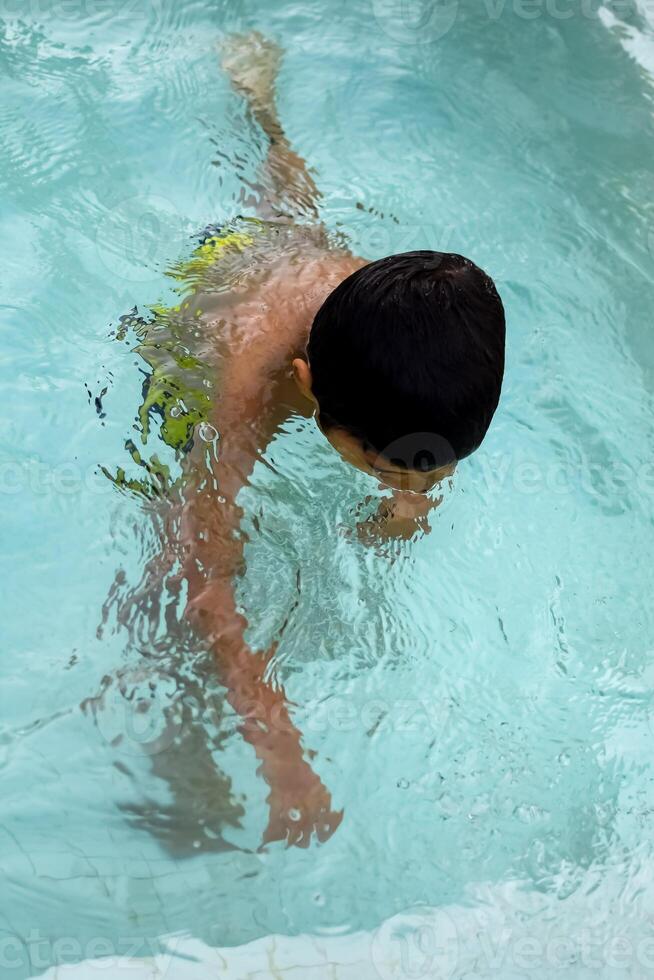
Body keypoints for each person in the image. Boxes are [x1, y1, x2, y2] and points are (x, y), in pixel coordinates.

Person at [169, 32, 506, 848]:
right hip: (209, 317)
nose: (420, 483)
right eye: (392, 466)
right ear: (308, 387)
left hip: (313, 276)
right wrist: (277, 748)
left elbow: (424, 441)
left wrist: (406, 497)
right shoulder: (246, 387)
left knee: (292, 214)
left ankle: (259, 107)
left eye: (431, 468)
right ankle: (175, 758)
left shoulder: (416, 338)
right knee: (167, 583)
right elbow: (202, 573)